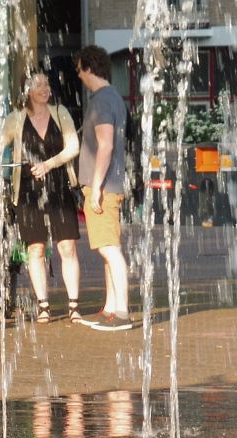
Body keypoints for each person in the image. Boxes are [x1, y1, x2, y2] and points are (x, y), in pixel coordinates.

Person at [0, 71, 82, 323]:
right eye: (39, 85)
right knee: (35, 248)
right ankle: (44, 305)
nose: (45, 88)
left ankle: (74, 306)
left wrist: (48, 164)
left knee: (67, 246)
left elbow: (73, 147)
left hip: (58, 187)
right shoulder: (16, 119)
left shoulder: (60, 113)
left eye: (47, 84)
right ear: (27, 91)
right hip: (27, 190)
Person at [75, 44, 133, 331]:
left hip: (104, 186)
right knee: (108, 249)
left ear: (87, 67)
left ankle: (121, 312)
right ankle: (110, 308)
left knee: (110, 249)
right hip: (114, 184)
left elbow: (105, 144)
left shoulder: (100, 101)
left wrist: (96, 185)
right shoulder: (115, 98)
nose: (78, 75)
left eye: (79, 69)